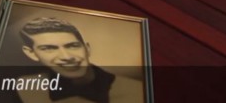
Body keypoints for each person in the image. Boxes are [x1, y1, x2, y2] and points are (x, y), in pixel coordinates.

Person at [14, 17, 144, 103]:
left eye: (73, 46)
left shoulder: (136, 91)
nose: (67, 56)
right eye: (49, 48)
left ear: (87, 48)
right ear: (31, 53)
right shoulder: (27, 86)